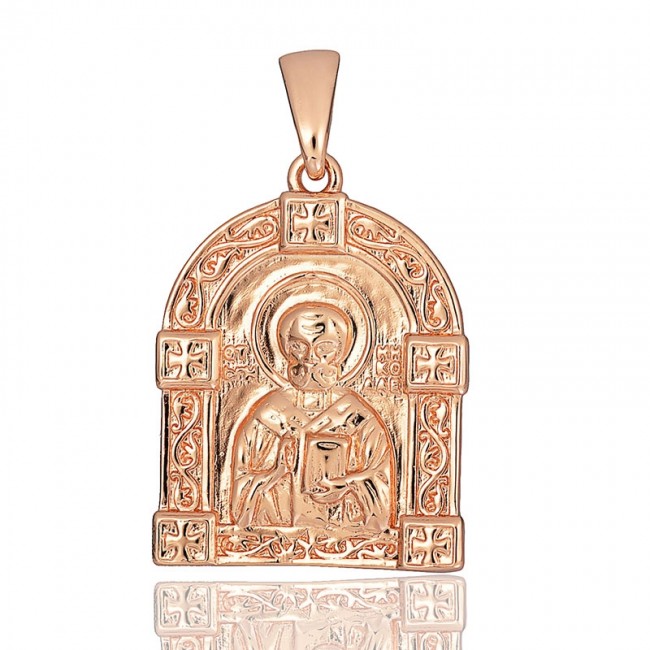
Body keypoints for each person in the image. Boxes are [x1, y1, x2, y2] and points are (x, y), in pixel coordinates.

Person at [231, 302, 393, 532]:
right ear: (285, 349)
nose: (310, 358)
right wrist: (277, 472)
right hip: (275, 536)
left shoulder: (358, 416)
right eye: (298, 346)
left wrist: (348, 485)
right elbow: (240, 486)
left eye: (324, 347)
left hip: (346, 536)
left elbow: (382, 478)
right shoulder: (267, 414)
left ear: (341, 351)